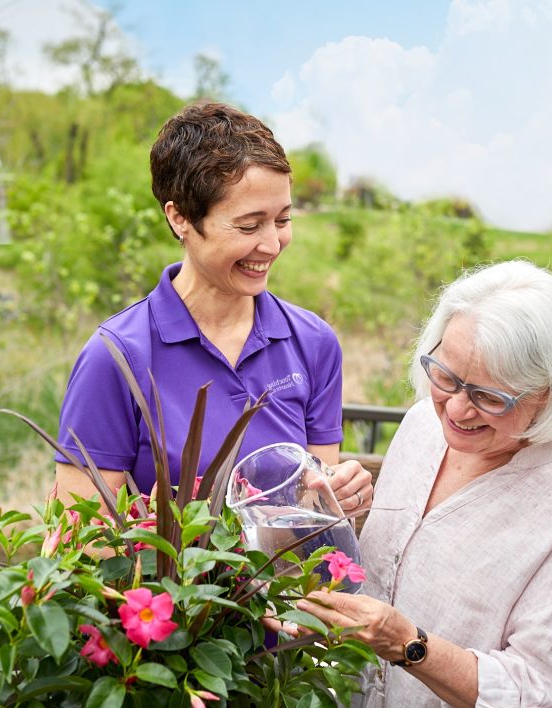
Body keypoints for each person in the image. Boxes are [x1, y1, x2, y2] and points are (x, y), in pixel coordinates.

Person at [297, 260, 552, 708]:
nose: (455, 408)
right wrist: (347, 512)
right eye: (446, 376)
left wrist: (408, 644)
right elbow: (403, 559)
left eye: (488, 396)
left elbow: (536, 688)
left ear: (551, 392)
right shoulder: (422, 429)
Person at [55, 101, 372, 513]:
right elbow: (83, 541)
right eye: (248, 225)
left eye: (283, 219)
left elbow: (311, 510)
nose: (273, 245)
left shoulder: (313, 343)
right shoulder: (117, 356)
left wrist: (340, 496)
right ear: (181, 218)